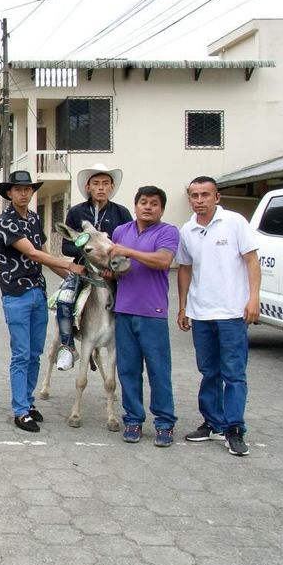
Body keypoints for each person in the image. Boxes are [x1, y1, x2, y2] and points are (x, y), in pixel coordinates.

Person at [0, 171, 86, 433]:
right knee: (21, 354)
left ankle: (28, 401)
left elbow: (45, 254)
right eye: (18, 189)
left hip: (38, 292)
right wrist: (70, 265)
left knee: (35, 353)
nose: (23, 193)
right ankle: (20, 411)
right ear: (9, 193)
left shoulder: (34, 219)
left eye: (27, 189)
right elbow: (32, 253)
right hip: (16, 294)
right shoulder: (5, 222)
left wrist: (72, 278)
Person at [175, 176, 261, 457]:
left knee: (233, 373)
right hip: (201, 312)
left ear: (216, 197)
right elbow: (185, 268)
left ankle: (234, 428)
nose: (199, 200)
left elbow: (251, 260)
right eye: (194, 195)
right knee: (208, 371)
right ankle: (213, 422)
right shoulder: (187, 230)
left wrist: (253, 298)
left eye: (205, 194)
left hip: (232, 311)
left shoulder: (234, 222)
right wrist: (183, 306)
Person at [109, 186, 180, 447]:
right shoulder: (121, 232)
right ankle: (133, 419)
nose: (148, 207)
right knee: (128, 370)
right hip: (124, 310)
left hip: (153, 312)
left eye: (154, 203)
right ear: (135, 205)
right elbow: (115, 266)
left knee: (158, 370)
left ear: (162, 208)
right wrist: (111, 271)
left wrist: (129, 252)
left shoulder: (167, 232)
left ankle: (164, 423)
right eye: (143, 202)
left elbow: (163, 260)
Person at [54, 163, 132, 371]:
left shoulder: (121, 213)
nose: (101, 187)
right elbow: (66, 246)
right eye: (96, 183)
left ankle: (125, 340)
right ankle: (67, 346)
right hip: (83, 271)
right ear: (88, 187)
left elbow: (129, 242)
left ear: (112, 187)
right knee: (64, 299)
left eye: (105, 183)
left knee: (128, 301)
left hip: (114, 271)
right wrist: (89, 252)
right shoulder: (76, 212)